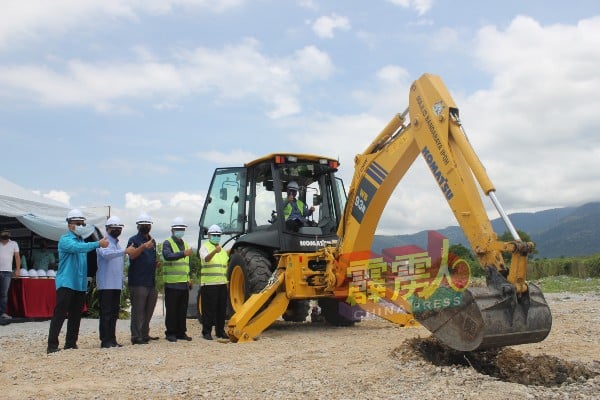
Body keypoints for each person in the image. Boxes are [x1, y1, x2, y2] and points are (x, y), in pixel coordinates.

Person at [47, 209, 109, 354]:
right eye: (77, 223)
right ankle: (52, 345)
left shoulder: (83, 241)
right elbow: (77, 248)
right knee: (60, 314)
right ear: (69, 225)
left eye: (82, 223)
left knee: (76, 315)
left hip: (80, 285)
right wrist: (97, 243)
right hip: (66, 283)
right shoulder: (65, 240)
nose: (81, 226)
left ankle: (71, 343)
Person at [96, 216, 132, 348]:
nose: (117, 230)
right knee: (106, 314)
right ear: (107, 229)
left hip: (116, 285)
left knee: (113, 313)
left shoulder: (117, 244)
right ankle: (105, 340)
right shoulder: (104, 242)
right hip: (106, 284)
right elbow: (107, 254)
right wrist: (124, 251)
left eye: (119, 228)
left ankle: (112, 339)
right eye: (114, 228)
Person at [127, 213, 160, 345]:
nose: (145, 226)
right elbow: (132, 255)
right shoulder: (133, 240)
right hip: (138, 281)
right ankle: (136, 336)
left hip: (150, 280)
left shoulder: (153, 241)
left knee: (149, 309)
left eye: (147, 224)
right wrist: (142, 246)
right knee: (138, 310)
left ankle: (145, 333)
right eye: (143, 224)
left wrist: (155, 263)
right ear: (138, 226)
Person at [161, 217, 193, 342]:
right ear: (173, 230)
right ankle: (170, 333)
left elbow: (187, 264)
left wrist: (189, 278)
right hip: (172, 283)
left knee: (182, 310)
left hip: (183, 283)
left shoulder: (185, 244)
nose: (180, 231)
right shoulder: (167, 243)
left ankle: (181, 332)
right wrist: (183, 253)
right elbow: (168, 256)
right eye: (178, 229)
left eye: (182, 229)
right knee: (172, 310)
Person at [199, 224, 229, 340]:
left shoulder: (222, 251)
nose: (216, 237)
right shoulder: (205, 247)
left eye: (218, 235)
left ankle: (220, 331)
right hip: (209, 284)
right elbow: (206, 259)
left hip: (222, 284)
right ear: (209, 235)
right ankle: (206, 332)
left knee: (221, 309)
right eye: (214, 235)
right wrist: (214, 252)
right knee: (208, 309)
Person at [0, 229, 21, 320]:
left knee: (4, 293)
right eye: (4, 232)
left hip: (7, 271)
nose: (6, 234)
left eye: (7, 233)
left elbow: (17, 257)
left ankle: (2, 313)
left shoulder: (14, 244)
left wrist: (17, 269)